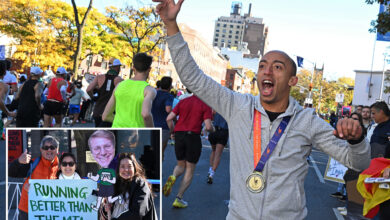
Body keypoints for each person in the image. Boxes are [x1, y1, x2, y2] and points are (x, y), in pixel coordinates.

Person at [153, 1, 370, 218]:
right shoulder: (237, 105)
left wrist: (357, 141)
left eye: (277, 67)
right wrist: (171, 24)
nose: (267, 72)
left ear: (292, 81)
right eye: (262, 66)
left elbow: (358, 163)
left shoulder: (307, 121)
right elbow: (192, 77)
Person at [163, 89, 214, 208]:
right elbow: (208, 126)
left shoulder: (183, 101)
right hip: (193, 137)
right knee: (190, 169)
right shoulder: (205, 105)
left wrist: (172, 131)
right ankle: (178, 198)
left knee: (180, 165)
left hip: (179, 135)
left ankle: (173, 176)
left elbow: (169, 118)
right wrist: (212, 129)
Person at [8, 135, 60, 220]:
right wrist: (18, 161)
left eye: (52, 147)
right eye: (45, 147)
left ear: (57, 149)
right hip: (28, 210)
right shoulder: (32, 164)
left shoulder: (63, 167)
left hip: (51, 211)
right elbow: (10, 172)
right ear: (41, 150)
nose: (49, 150)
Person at [102, 53, 156, 127]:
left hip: (117, 133)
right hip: (137, 134)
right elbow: (146, 114)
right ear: (149, 69)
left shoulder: (119, 86)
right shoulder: (149, 90)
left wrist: (121, 123)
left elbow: (105, 116)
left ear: (133, 68)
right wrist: (152, 133)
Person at [103, 153, 158, 220]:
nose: (126, 170)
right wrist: (106, 209)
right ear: (118, 169)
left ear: (134, 168)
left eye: (129, 166)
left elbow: (137, 213)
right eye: (122, 166)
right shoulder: (116, 185)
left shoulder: (141, 185)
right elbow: (113, 211)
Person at [88, 130, 119, 211]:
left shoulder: (117, 166)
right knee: (99, 199)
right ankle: (96, 207)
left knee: (109, 199)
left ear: (114, 147)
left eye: (107, 146)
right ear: (91, 153)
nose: (103, 152)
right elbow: (97, 178)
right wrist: (91, 177)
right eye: (97, 148)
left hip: (111, 192)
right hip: (103, 189)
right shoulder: (101, 170)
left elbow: (115, 181)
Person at [86, 59, 123, 127]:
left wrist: (93, 97)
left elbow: (88, 90)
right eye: (119, 67)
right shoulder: (119, 80)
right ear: (117, 67)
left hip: (98, 111)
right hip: (110, 113)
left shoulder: (99, 77)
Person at [151, 76, 174, 159]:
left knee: (151, 150)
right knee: (160, 152)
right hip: (163, 126)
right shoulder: (169, 96)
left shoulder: (154, 93)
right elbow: (168, 109)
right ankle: (158, 169)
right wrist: (174, 116)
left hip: (151, 124)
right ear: (169, 86)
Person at [207, 111, 228, 184]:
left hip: (214, 130)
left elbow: (212, 113)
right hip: (224, 131)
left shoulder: (217, 106)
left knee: (213, 151)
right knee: (218, 154)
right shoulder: (229, 108)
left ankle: (210, 169)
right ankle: (212, 174)